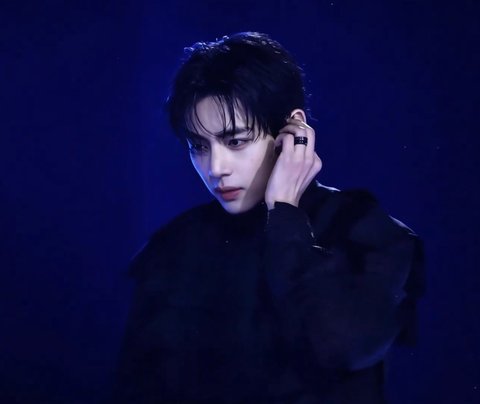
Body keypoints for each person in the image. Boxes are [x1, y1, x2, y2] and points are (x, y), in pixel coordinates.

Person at [111, 32, 425, 403]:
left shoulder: (362, 230)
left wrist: (285, 214)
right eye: (199, 146)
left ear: (293, 130)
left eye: (236, 141)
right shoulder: (174, 247)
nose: (216, 167)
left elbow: (341, 347)